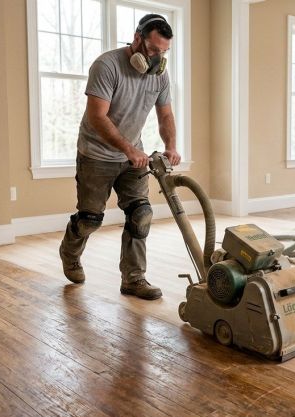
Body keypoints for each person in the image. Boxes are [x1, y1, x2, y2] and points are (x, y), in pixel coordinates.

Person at [59, 14, 181, 300]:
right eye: (152, 50)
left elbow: (165, 115)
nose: (156, 58)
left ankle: (134, 279)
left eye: (163, 52)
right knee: (90, 219)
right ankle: (70, 253)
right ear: (137, 38)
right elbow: (97, 117)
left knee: (141, 215)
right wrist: (129, 150)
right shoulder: (107, 65)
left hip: (132, 157)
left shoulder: (160, 75)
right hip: (96, 154)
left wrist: (171, 146)